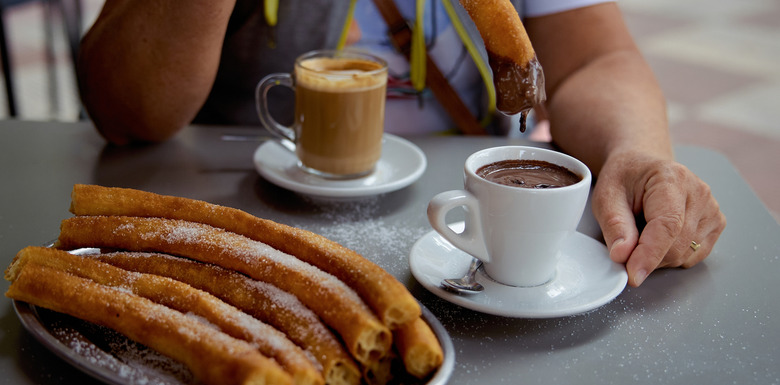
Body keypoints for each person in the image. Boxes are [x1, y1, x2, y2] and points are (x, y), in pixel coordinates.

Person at [76, 0, 726, 288]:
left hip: (473, 235)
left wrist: (636, 151)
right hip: (241, 228)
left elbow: (596, 58)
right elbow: (127, 110)